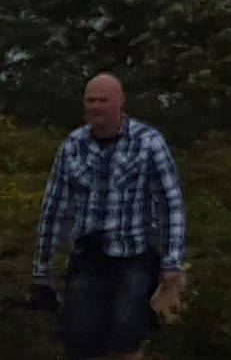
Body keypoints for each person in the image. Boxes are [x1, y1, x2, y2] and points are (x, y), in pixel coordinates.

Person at [27, 75, 184, 360]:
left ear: (120, 102)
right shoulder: (72, 146)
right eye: (91, 100)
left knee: (127, 329)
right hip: (88, 254)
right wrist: (42, 267)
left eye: (103, 100)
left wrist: (172, 260)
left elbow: (170, 203)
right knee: (80, 336)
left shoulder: (149, 143)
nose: (96, 106)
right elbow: (54, 208)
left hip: (134, 254)